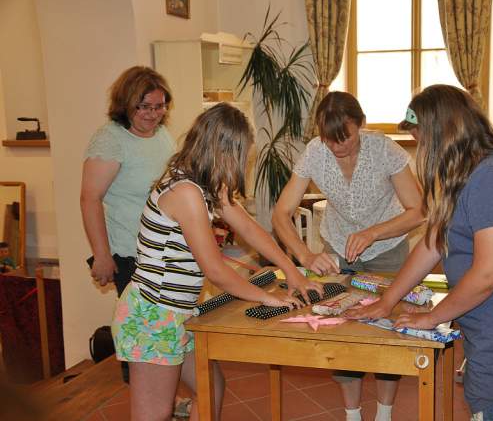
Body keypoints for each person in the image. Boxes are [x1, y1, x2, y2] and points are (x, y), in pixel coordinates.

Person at [348, 84, 493, 420]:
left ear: (444, 135)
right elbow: (432, 243)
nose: (422, 151)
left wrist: (432, 317)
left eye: (423, 141)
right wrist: (387, 301)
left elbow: (487, 274)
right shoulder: (467, 173)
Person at [111, 102, 322, 421]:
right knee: (154, 413)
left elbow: (249, 228)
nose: (241, 166)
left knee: (211, 387)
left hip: (176, 313)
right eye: (241, 157)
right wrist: (267, 297)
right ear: (223, 152)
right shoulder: (185, 192)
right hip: (153, 316)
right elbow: (215, 270)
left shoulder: (204, 184)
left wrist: (291, 271)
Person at [272, 91, 424, 421]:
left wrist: (374, 233)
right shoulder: (315, 152)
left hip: (387, 250)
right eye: (330, 139)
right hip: (338, 249)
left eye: (346, 137)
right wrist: (305, 255)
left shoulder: (384, 149)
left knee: (386, 332)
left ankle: (383, 414)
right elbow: (281, 213)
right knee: (340, 332)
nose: (338, 146)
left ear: (361, 124)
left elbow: (418, 210)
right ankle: (352, 415)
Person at [80, 66, 176, 383]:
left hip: (163, 251)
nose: (153, 114)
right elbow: (90, 199)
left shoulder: (162, 134)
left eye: (160, 106)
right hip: (130, 254)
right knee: (141, 339)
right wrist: (102, 255)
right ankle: (146, 400)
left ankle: (166, 398)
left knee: (165, 335)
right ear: (125, 104)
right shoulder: (110, 140)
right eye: (144, 107)